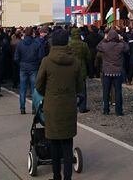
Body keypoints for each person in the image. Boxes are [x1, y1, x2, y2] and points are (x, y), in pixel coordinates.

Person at [35, 29, 82, 180]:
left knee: (54, 143)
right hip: (68, 106)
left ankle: (56, 176)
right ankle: (68, 177)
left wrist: (49, 93)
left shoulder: (47, 61)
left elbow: (39, 85)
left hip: (52, 106)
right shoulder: (75, 62)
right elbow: (80, 86)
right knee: (68, 143)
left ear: (53, 42)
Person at [97, 29, 129, 115]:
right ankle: (119, 111)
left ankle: (106, 110)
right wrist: (121, 39)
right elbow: (127, 48)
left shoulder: (104, 45)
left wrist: (104, 38)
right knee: (118, 91)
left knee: (106, 91)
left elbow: (98, 46)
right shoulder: (120, 45)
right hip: (117, 71)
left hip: (106, 71)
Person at [14, 27, 42, 113]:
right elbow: (40, 56)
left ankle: (22, 108)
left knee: (22, 89)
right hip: (33, 67)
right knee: (34, 89)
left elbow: (16, 57)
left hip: (23, 66)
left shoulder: (20, 44)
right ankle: (34, 108)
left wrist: (21, 64)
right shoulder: (36, 44)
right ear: (32, 33)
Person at [68, 28, 91, 113]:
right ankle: (82, 107)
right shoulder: (83, 44)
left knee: (71, 89)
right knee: (82, 89)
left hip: (70, 67)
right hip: (81, 67)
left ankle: (71, 107)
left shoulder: (68, 44)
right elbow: (88, 56)